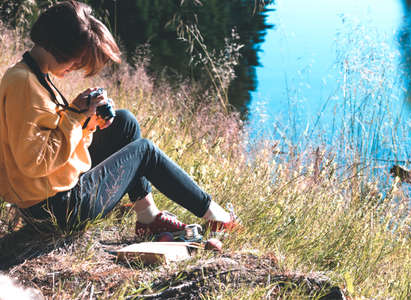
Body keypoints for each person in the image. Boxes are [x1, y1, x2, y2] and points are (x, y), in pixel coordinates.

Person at [0, 1, 238, 235]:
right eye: (77, 60)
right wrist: (73, 117)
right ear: (61, 47)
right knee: (144, 151)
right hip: (55, 211)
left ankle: (148, 216)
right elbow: (33, 162)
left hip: (53, 196)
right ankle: (215, 215)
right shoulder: (24, 84)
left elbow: (50, 139)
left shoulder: (33, 76)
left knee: (124, 122)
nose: (77, 67)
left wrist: (86, 122)